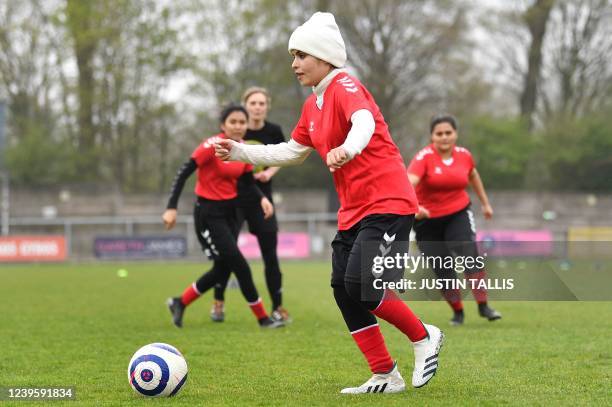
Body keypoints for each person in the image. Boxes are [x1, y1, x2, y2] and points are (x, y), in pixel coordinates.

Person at [215, 12, 444, 394]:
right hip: (353, 210)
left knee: (363, 284)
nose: (294, 64)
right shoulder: (313, 105)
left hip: (387, 201)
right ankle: (385, 374)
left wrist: (347, 148)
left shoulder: (345, 85)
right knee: (343, 286)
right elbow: (292, 151)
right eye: (293, 56)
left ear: (323, 56)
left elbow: (364, 123)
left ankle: (424, 338)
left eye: (301, 55)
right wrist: (240, 151)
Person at [163, 104, 283, 329]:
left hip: (230, 211)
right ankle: (263, 318)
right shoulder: (211, 146)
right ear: (223, 126)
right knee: (239, 264)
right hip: (208, 214)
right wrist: (171, 207)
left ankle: (180, 302)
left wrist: (262, 199)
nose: (238, 126)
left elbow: (247, 181)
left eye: (242, 122)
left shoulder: (243, 149)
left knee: (222, 268)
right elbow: (183, 173)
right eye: (233, 122)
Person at [407, 114, 502, 325]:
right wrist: (415, 207)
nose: (444, 137)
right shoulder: (423, 158)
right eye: (439, 134)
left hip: (458, 213)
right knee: (443, 267)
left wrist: (485, 203)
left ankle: (484, 306)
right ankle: (458, 312)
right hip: (426, 220)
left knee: (470, 254)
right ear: (432, 136)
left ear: (456, 134)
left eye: (448, 133)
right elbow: (408, 183)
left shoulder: (464, 155)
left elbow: (473, 176)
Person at [210, 87, 291, 323]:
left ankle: (277, 307)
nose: (257, 107)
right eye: (253, 103)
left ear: (267, 106)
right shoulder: (231, 130)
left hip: (262, 198)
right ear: (246, 105)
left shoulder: (274, 131)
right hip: (232, 200)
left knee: (270, 256)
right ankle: (218, 303)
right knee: (227, 254)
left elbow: (286, 155)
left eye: (261, 103)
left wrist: (269, 172)